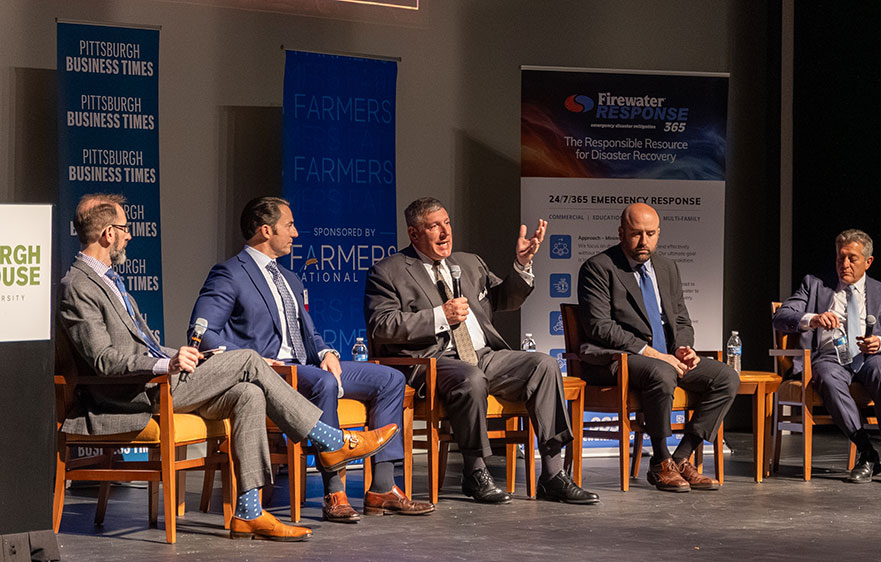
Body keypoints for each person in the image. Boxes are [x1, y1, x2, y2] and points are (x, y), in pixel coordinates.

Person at [58, 193, 397, 541]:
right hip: (132, 394)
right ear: (108, 234)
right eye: (126, 229)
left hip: (157, 382)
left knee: (247, 394)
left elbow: (146, 345)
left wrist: (179, 357)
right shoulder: (78, 286)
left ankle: (249, 511)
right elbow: (103, 361)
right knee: (249, 359)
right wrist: (164, 364)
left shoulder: (111, 280)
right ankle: (331, 440)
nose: (130, 235)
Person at [189, 196, 432, 521]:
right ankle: (335, 493)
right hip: (270, 373)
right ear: (265, 230)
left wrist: (326, 352)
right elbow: (202, 332)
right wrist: (254, 361)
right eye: (289, 226)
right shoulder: (230, 273)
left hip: (305, 366)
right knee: (323, 381)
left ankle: (383, 489)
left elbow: (309, 333)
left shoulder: (291, 278)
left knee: (390, 379)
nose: (297, 233)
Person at [364, 197, 598, 505]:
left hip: (484, 355)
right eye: (434, 226)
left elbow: (505, 299)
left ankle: (553, 475)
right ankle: (475, 472)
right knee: (471, 377)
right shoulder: (389, 271)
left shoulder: (469, 263)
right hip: (431, 361)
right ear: (414, 233)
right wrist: (439, 317)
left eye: (447, 223)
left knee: (543, 364)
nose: (445, 233)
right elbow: (382, 325)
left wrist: (522, 265)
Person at [577, 203, 739, 493]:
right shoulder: (599, 268)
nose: (644, 241)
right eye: (636, 234)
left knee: (726, 377)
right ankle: (660, 460)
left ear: (659, 233)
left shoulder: (666, 267)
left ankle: (681, 457)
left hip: (666, 357)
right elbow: (599, 326)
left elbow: (680, 318)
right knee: (661, 372)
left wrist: (684, 348)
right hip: (618, 359)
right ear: (621, 233)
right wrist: (652, 353)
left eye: (650, 234)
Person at [773, 229, 881, 485]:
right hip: (831, 357)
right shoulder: (814, 284)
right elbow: (781, 317)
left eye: (852, 258)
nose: (844, 264)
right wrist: (812, 319)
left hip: (871, 357)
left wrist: (879, 342)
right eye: (840, 258)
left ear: (868, 262)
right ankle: (867, 452)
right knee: (826, 376)